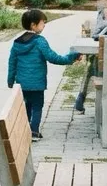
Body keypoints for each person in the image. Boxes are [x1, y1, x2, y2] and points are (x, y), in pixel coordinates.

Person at [7, 9, 81, 139]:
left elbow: (12, 62)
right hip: (37, 83)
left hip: (22, 83)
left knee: (27, 105)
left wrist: (10, 80)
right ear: (33, 25)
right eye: (42, 22)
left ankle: (26, 131)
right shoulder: (40, 41)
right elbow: (53, 58)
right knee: (37, 106)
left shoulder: (17, 42)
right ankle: (34, 131)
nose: (44, 25)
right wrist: (72, 57)